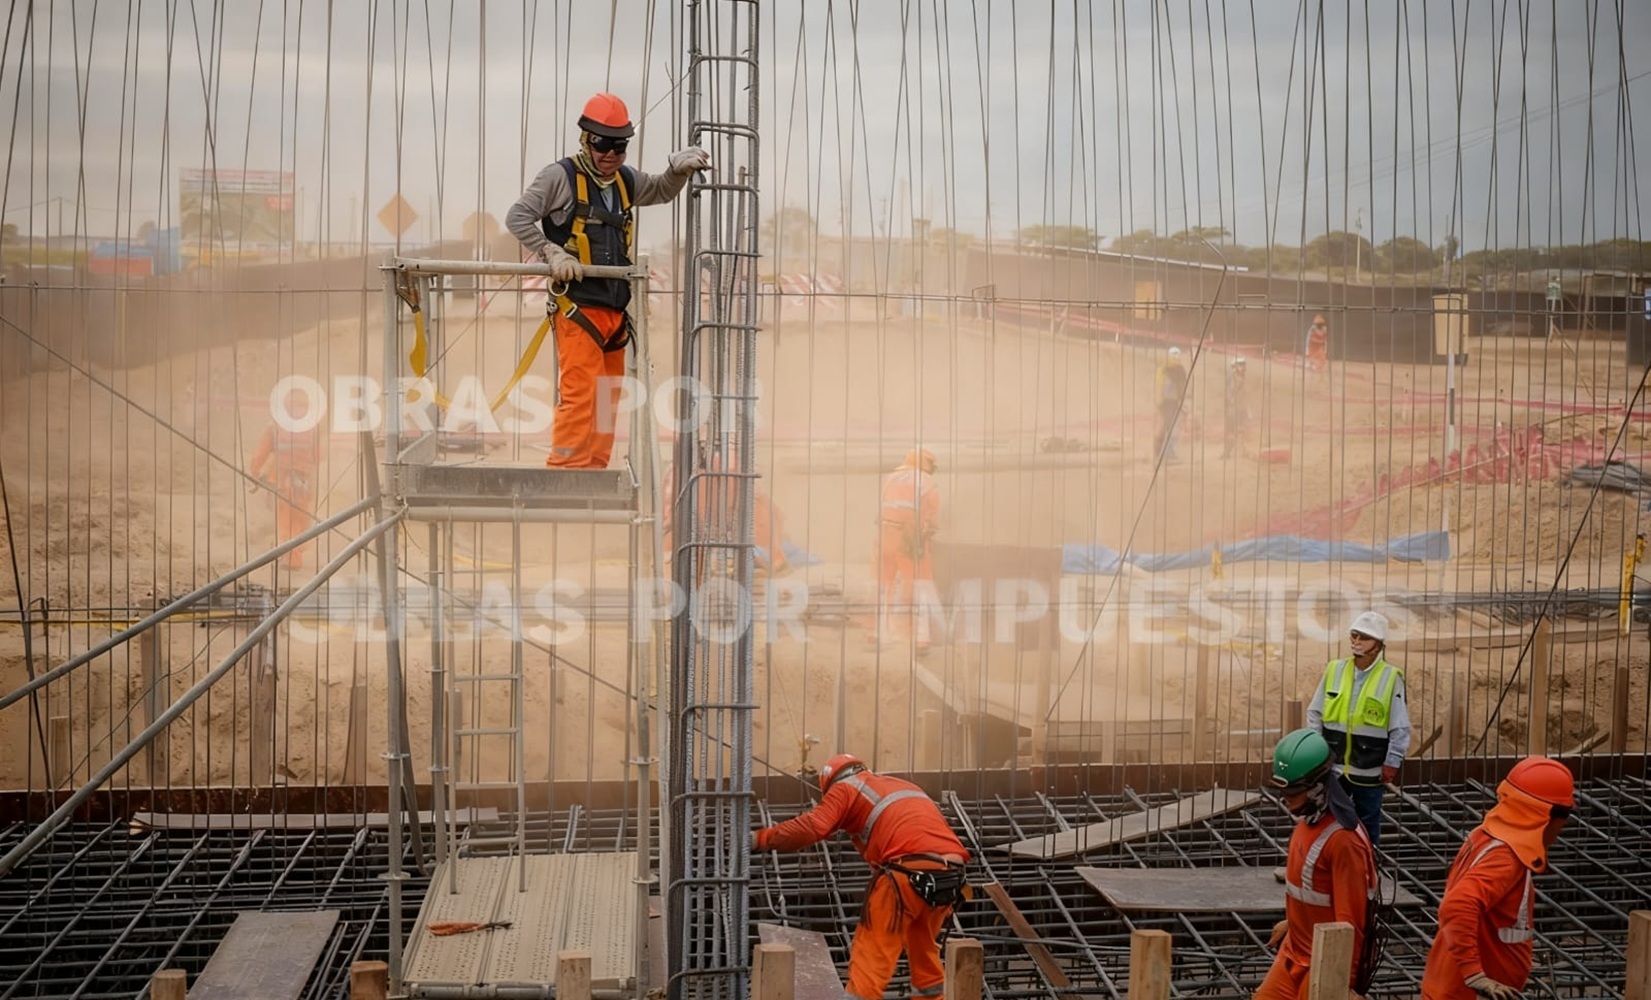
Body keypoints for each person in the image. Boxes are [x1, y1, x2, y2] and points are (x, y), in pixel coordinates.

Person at [506, 92, 711, 469]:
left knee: (608, 398)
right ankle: (565, 476)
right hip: (578, 307)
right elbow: (517, 217)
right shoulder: (560, 177)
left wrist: (678, 171)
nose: (610, 155)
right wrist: (553, 252)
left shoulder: (624, 181)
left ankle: (594, 474)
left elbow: (662, 190)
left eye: (619, 146)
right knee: (581, 395)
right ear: (586, 139)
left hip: (615, 311)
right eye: (602, 144)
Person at [752, 753, 971, 1000]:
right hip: (948, 877)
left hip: (906, 874)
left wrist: (760, 839)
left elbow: (815, 826)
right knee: (924, 954)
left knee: (871, 954)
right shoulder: (900, 786)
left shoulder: (845, 787)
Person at [1420, 757, 1575, 1000]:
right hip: (1466, 994)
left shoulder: (1485, 836)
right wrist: (1476, 976)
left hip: (1451, 985)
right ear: (1547, 816)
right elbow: (1457, 907)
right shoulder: (1506, 857)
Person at [1256, 729, 1378, 1000]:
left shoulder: (1344, 842)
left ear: (1317, 787)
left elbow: (1351, 924)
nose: (1285, 799)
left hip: (1323, 963)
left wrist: (1342, 983)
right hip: (1294, 952)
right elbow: (1317, 893)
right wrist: (1294, 921)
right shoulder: (1307, 823)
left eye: (1293, 792)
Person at [1307, 611, 1411, 849]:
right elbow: (1315, 713)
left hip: (1369, 770)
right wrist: (1315, 750)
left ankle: (1367, 872)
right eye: (1354, 635)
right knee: (1325, 820)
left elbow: (1400, 726)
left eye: (1364, 637)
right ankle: (1318, 866)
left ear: (1378, 645)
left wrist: (1393, 761)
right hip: (1333, 768)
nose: (1357, 641)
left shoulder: (1390, 677)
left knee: (1366, 826)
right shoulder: (1334, 669)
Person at [250, 388, 324, 570]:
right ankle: (295, 553)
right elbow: (319, 456)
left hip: (282, 480)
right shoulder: (312, 428)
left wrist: (255, 473)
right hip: (304, 482)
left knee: (286, 518)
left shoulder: (273, 427)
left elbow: (259, 456)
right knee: (300, 518)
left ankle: (292, 557)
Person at [876, 448, 940, 647]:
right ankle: (921, 639)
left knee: (884, 586)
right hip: (909, 539)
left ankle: (879, 634)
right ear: (926, 464)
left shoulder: (891, 478)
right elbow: (931, 520)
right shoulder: (926, 482)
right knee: (919, 587)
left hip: (885, 537)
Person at [1153, 346, 1188, 462]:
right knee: (1166, 428)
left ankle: (1167, 453)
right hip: (1166, 403)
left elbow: (1183, 388)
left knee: (1173, 428)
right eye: (1174, 356)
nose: (1176, 359)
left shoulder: (1181, 371)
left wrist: (1184, 403)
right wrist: (1159, 404)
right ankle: (1163, 454)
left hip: (1175, 402)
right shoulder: (1163, 370)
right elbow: (1159, 386)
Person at [1223, 356, 1249, 459]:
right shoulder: (1234, 378)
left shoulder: (1240, 378)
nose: (1242, 367)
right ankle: (1228, 451)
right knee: (1232, 431)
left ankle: (1235, 451)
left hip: (1239, 408)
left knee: (1239, 430)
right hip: (1234, 409)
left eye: (1243, 365)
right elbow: (1230, 394)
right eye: (1240, 365)